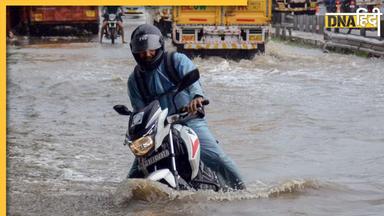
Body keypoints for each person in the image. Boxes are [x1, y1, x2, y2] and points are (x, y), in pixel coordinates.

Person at [126, 24, 245, 190]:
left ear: (160, 46)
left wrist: (196, 98)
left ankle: (242, 191)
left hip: (189, 121)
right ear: (134, 52)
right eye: (142, 51)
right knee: (134, 176)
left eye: (151, 50)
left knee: (217, 158)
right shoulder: (134, 80)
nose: (147, 54)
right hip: (157, 130)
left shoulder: (176, 60)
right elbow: (140, 111)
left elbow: (194, 83)